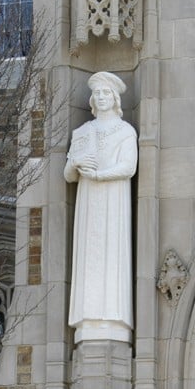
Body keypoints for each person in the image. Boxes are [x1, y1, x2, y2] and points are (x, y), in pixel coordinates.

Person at [64, 72, 138, 343]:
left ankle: (113, 319)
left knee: (111, 255)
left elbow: (128, 167)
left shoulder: (125, 131)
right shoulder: (82, 133)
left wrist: (98, 175)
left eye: (107, 93)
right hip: (88, 203)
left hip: (112, 198)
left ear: (115, 98)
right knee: (90, 257)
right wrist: (76, 164)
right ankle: (88, 318)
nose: (102, 97)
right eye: (97, 94)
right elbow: (68, 174)